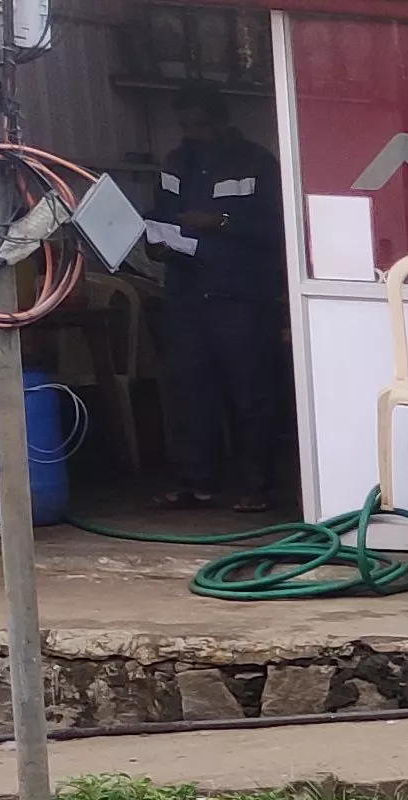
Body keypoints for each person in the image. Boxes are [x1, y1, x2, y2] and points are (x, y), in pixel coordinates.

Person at [153, 89, 286, 512]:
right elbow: (161, 212)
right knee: (190, 391)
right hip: (187, 293)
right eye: (186, 126)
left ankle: (255, 487)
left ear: (220, 121)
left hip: (242, 294)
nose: (193, 134)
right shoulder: (176, 161)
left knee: (250, 393)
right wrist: (156, 241)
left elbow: (278, 229)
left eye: (199, 125)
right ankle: (198, 483)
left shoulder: (255, 162)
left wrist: (222, 221)